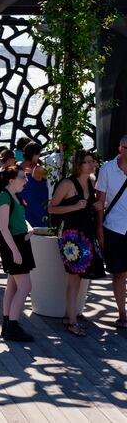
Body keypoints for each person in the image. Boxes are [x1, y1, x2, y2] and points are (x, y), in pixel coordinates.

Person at [48, 150, 105, 336]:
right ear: (79, 165)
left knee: (79, 276)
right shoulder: (67, 184)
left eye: (92, 161)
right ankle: (72, 321)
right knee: (74, 276)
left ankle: (69, 315)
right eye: (87, 162)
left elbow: (88, 207)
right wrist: (75, 206)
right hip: (72, 236)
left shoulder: (91, 181)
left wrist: (95, 206)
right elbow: (51, 209)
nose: (91, 165)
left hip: (86, 234)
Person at [0, 165, 35, 342]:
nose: (26, 181)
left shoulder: (14, 196)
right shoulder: (4, 197)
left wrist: (29, 228)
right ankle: (12, 324)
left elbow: (19, 219)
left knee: (12, 285)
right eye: (22, 177)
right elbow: (3, 228)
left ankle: (8, 323)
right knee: (26, 287)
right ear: (12, 180)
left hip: (20, 242)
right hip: (14, 245)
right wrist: (15, 252)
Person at [95, 135, 127, 330]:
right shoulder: (107, 168)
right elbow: (100, 201)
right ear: (121, 149)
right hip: (115, 227)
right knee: (119, 273)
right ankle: (122, 314)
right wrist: (99, 229)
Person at [20, 142, 49, 227]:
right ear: (35, 154)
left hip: (23, 206)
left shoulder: (18, 166)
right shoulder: (39, 169)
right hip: (38, 207)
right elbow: (52, 180)